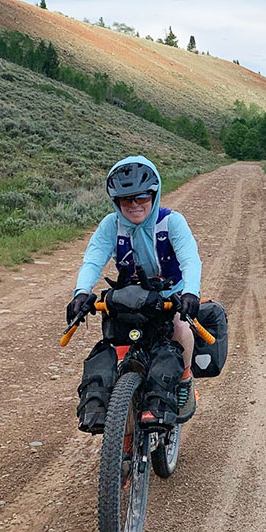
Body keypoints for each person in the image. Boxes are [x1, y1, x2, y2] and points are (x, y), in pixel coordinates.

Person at [68, 155, 203, 431]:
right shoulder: (111, 225)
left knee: (179, 327)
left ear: (154, 194)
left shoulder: (171, 223)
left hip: (171, 295)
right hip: (132, 295)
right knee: (115, 344)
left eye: (142, 197)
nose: (134, 205)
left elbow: (190, 259)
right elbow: (93, 259)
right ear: (116, 201)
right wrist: (81, 292)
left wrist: (190, 293)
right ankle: (120, 409)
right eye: (126, 199)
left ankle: (185, 381)